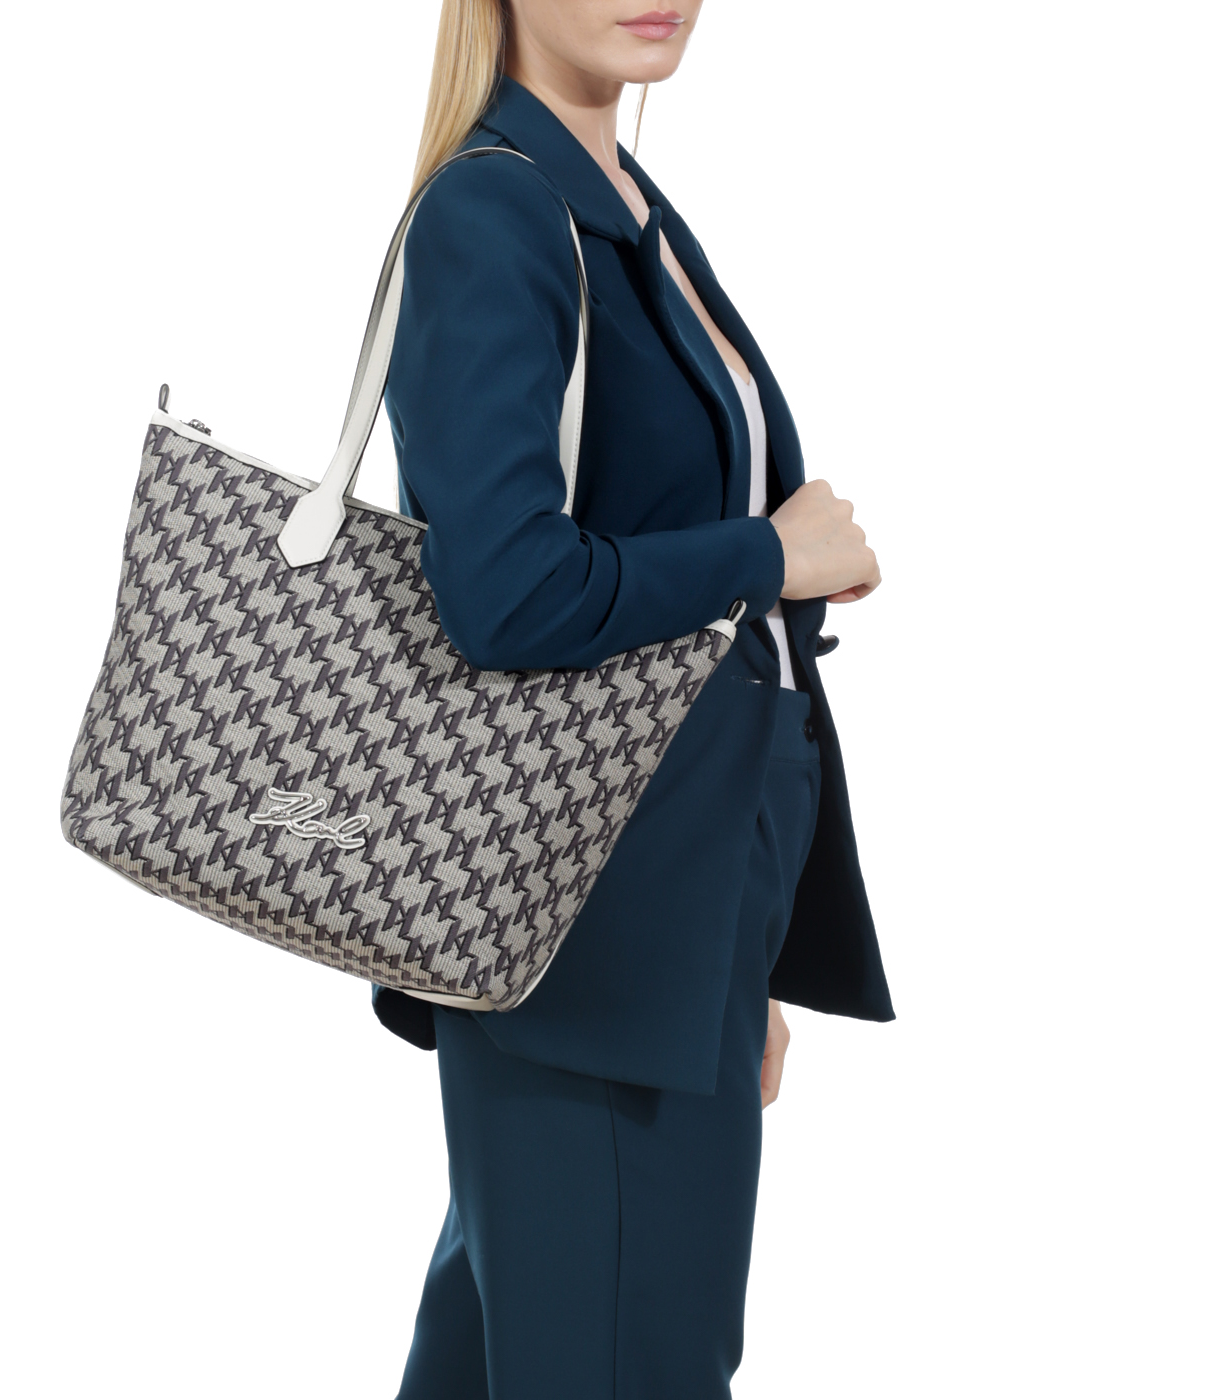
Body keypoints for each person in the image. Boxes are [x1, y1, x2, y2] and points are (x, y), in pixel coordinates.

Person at [371, 3, 893, 1395]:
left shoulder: (617, 201)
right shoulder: (497, 212)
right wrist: (768, 553)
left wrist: (734, 957)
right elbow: (505, 593)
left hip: (667, 918)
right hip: (593, 937)